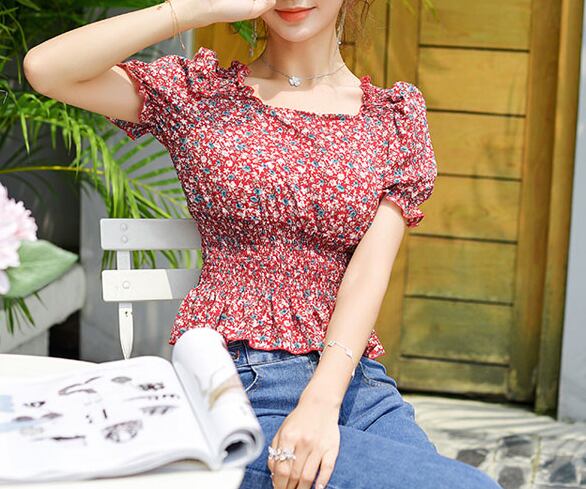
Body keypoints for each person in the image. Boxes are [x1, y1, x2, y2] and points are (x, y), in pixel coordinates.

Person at [23, 1, 503, 488]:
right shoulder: (200, 95)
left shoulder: (393, 120)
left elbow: (368, 273)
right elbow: (47, 70)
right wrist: (195, 9)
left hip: (355, 388)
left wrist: (320, 403)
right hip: (240, 388)